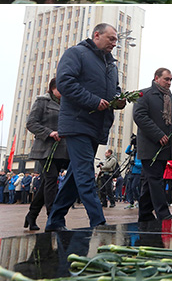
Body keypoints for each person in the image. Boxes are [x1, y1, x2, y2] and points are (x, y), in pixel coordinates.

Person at [45, 23, 125, 231]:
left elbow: (115, 90)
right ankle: (98, 221)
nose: (114, 44)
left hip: (97, 126)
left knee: (74, 175)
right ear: (96, 35)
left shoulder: (111, 65)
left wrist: (119, 99)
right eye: (111, 39)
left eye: (116, 40)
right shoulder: (76, 53)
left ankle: (54, 220)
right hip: (78, 123)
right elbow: (65, 83)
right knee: (85, 174)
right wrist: (93, 101)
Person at [133, 66, 172, 223]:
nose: (169, 82)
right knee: (155, 179)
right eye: (166, 79)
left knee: (150, 181)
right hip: (150, 147)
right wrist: (158, 134)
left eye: (170, 80)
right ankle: (163, 213)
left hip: (166, 147)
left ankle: (145, 215)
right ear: (156, 78)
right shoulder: (144, 94)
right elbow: (139, 116)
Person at [25, 77, 69, 231]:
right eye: (61, 89)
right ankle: (53, 218)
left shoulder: (67, 103)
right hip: (44, 149)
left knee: (46, 182)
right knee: (51, 179)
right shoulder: (42, 101)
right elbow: (31, 123)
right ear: (52, 88)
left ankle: (32, 214)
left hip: (61, 150)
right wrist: (49, 133)